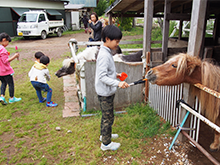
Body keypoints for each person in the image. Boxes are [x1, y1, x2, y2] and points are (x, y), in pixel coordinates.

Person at [95, 25, 130, 151]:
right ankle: (106, 144)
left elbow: (107, 72)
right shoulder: (104, 55)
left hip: (106, 91)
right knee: (108, 118)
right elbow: (102, 77)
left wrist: (117, 75)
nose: (118, 44)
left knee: (106, 116)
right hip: (105, 92)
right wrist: (118, 83)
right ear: (108, 39)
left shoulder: (106, 52)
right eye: (117, 41)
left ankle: (105, 135)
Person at [0, 32, 21, 105]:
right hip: (5, 71)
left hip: (0, 72)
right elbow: (5, 61)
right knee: (10, 84)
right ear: (4, 40)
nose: (7, 44)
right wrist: (14, 56)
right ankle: (12, 98)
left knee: (3, 83)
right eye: (7, 42)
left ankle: (2, 96)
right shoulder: (2, 49)